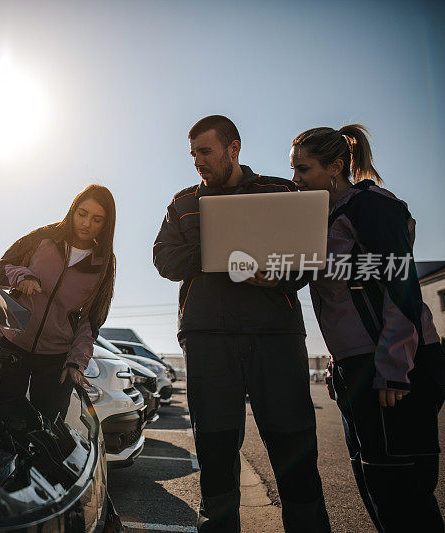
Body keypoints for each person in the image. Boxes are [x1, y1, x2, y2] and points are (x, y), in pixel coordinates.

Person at [153, 115, 331, 532]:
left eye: (206, 151)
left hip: (275, 335)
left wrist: (276, 275)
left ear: (233, 149)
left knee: (294, 444)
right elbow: (163, 259)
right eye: (193, 153)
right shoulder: (182, 204)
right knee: (215, 450)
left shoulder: (281, 192)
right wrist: (218, 250)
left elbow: (307, 260)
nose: (198, 161)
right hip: (208, 338)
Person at [289, 124, 445, 531]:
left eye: (303, 170)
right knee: (375, 486)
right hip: (357, 368)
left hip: (395, 369)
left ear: (336, 167)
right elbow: (342, 300)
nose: (296, 180)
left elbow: (402, 288)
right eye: (294, 169)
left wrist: (394, 368)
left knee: (404, 497)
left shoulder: (371, 206)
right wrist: (339, 363)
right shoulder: (325, 218)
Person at [0, 184, 116, 423]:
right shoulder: (43, 237)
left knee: (48, 428)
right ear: (73, 210)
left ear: (106, 224)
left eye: (97, 219)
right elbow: (0, 269)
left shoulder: (103, 264)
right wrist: (22, 276)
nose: (87, 223)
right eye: (82, 213)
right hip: (10, 342)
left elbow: (92, 320)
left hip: (55, 358)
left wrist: (76, 363)